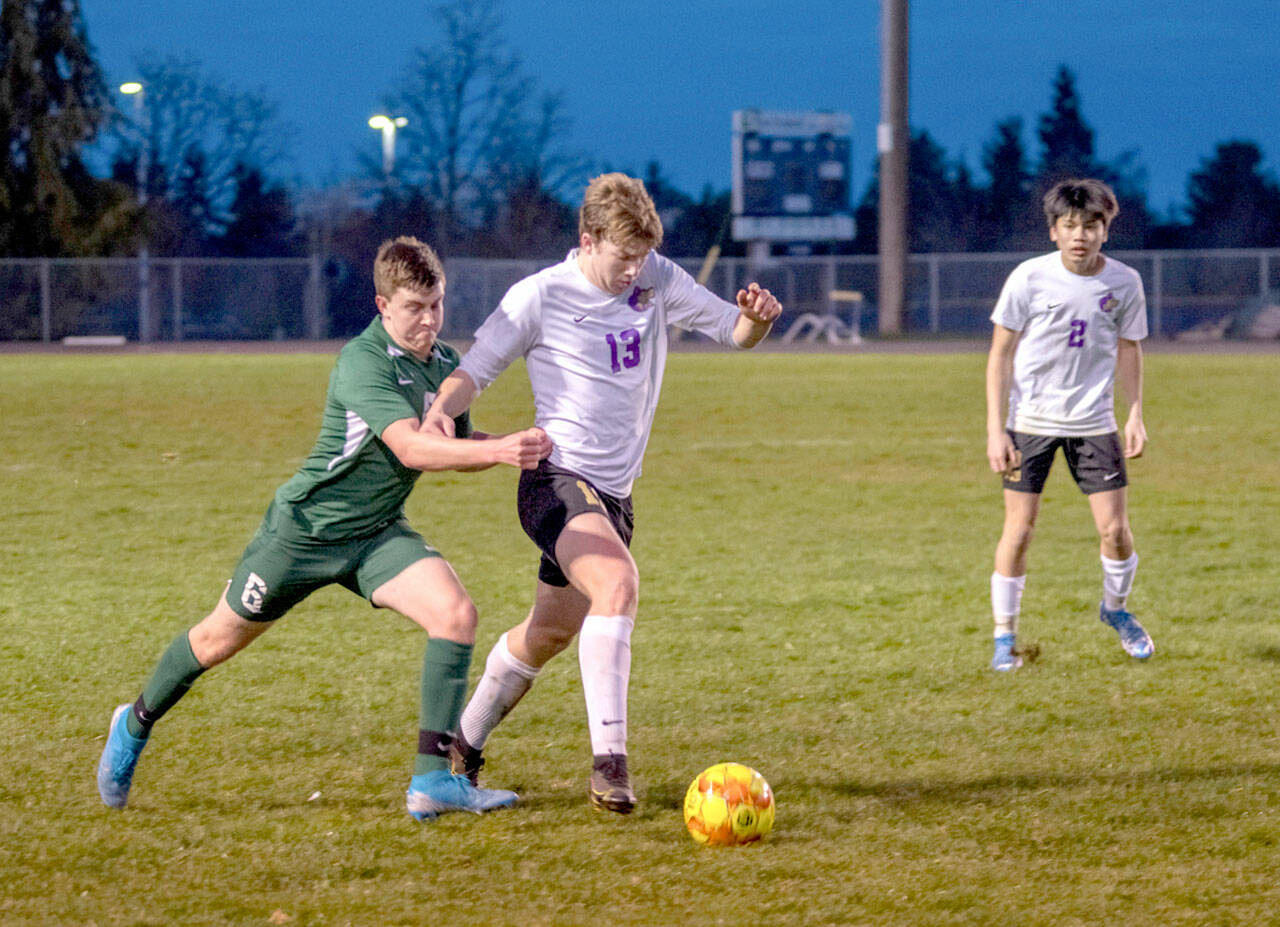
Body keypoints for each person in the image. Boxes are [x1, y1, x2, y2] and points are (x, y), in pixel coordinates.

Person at [96, 236, 552, 820]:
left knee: (456, 615)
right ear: (382, 306)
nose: (430, 320)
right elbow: (412, 449)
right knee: (215, 641)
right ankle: (133, 725)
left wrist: (521, 444)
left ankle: (432, 781)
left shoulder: (442, 366)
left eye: (437, 304)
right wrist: (503, 452)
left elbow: (452, 443)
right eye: (415, 308)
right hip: (304, 535)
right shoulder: (361, 362)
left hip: (377, 534)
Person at [420, 173, 782, 814]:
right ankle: (609, 767)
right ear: (587, 240)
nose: (633, 272)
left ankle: (462, 747)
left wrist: (756, 320)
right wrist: (439, 416)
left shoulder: (657, 278)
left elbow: (733, 331)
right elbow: (474, 369)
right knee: (618, 585)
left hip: (613, 495)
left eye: (642, 258)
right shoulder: (538, 296)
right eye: (623, 258)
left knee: (550, 632)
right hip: (554, 479)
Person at [985, 178, 1153, 672]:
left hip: (1093, 422)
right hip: (1030, 421)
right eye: (1069, 225)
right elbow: (999, 355)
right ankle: (1003, 638)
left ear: (1106, 228)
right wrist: (996, 429)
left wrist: (1136, 413)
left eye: (1091, 225)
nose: (1080, 234)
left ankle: (1116, 610)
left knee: (1116, 531)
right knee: (1019, 531)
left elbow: (1129, 348)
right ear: (1054, 231)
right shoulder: (1028, 278)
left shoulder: (1125, 282)